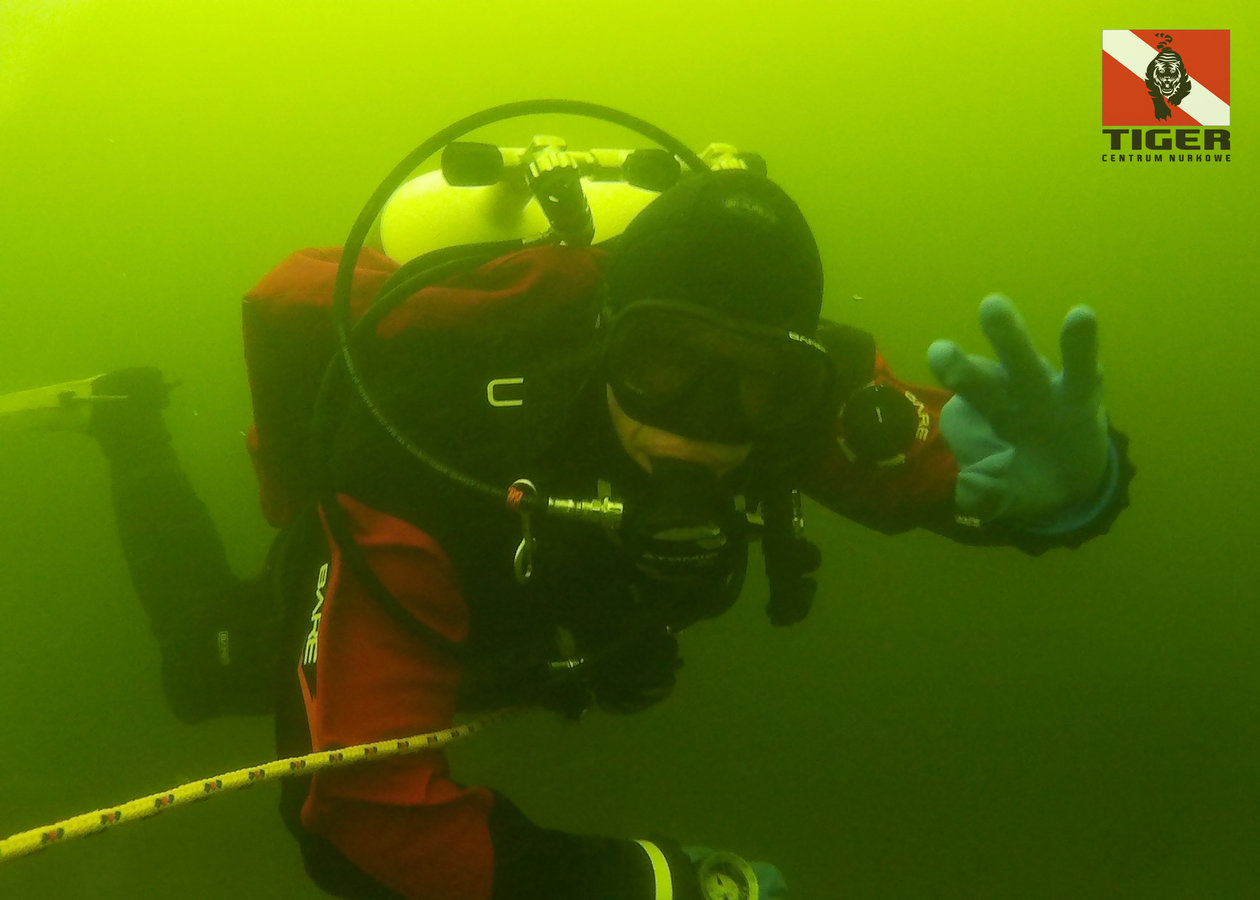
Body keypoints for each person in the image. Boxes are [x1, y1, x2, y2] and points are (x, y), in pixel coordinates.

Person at [58, 141, 1130, 899]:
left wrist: (1076, 487)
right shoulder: (425, 463)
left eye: (751, 381)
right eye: (662, 364)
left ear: (797, 377)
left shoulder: (800, 407)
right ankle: (128, 425)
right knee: (204, 668)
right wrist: (653, 884)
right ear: (606, 339)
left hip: (540, 628)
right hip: (445, 589)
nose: (700, 420)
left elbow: (977, 479)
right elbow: (361, 824)